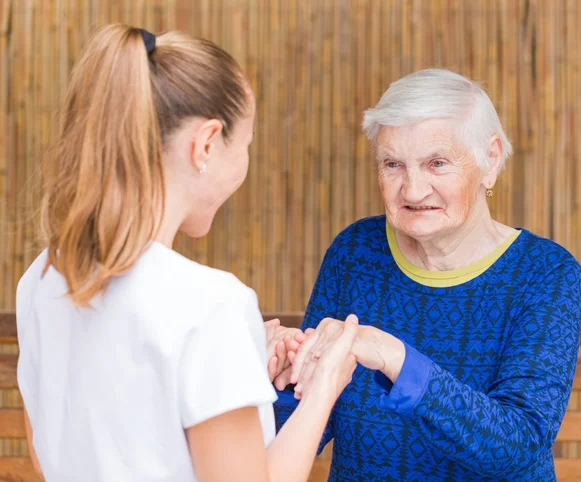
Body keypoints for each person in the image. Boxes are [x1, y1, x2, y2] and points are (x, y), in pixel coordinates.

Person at [16, 24, 358, 482]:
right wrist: (325, 387)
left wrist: (236, 368)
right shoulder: (211, 304)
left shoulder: (43, 277)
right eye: (247, 143)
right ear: (207, 144)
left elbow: (57, 449)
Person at [270, 69, 581, 481]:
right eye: (393, 164)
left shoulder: (544, 273)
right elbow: (301, 412)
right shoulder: (355, 251)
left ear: (490, 159)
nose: (413, 190)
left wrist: (393, 357)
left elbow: (518, 448)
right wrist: (267, 380)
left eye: (437, 163)